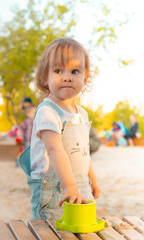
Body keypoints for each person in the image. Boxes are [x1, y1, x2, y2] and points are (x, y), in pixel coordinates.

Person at [20, 38, 100, 220]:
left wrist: (92, 180)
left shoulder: (82, 114)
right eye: (58, 70)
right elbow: (55, 150)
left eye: (74, 71)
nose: (67, 76)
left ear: (85, 77)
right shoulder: (47, 112)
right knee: (51, 231)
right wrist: (69, 186)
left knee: (78, 229)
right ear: (44, 77)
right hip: (53, 191)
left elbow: (83, 152)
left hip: (79, 185)